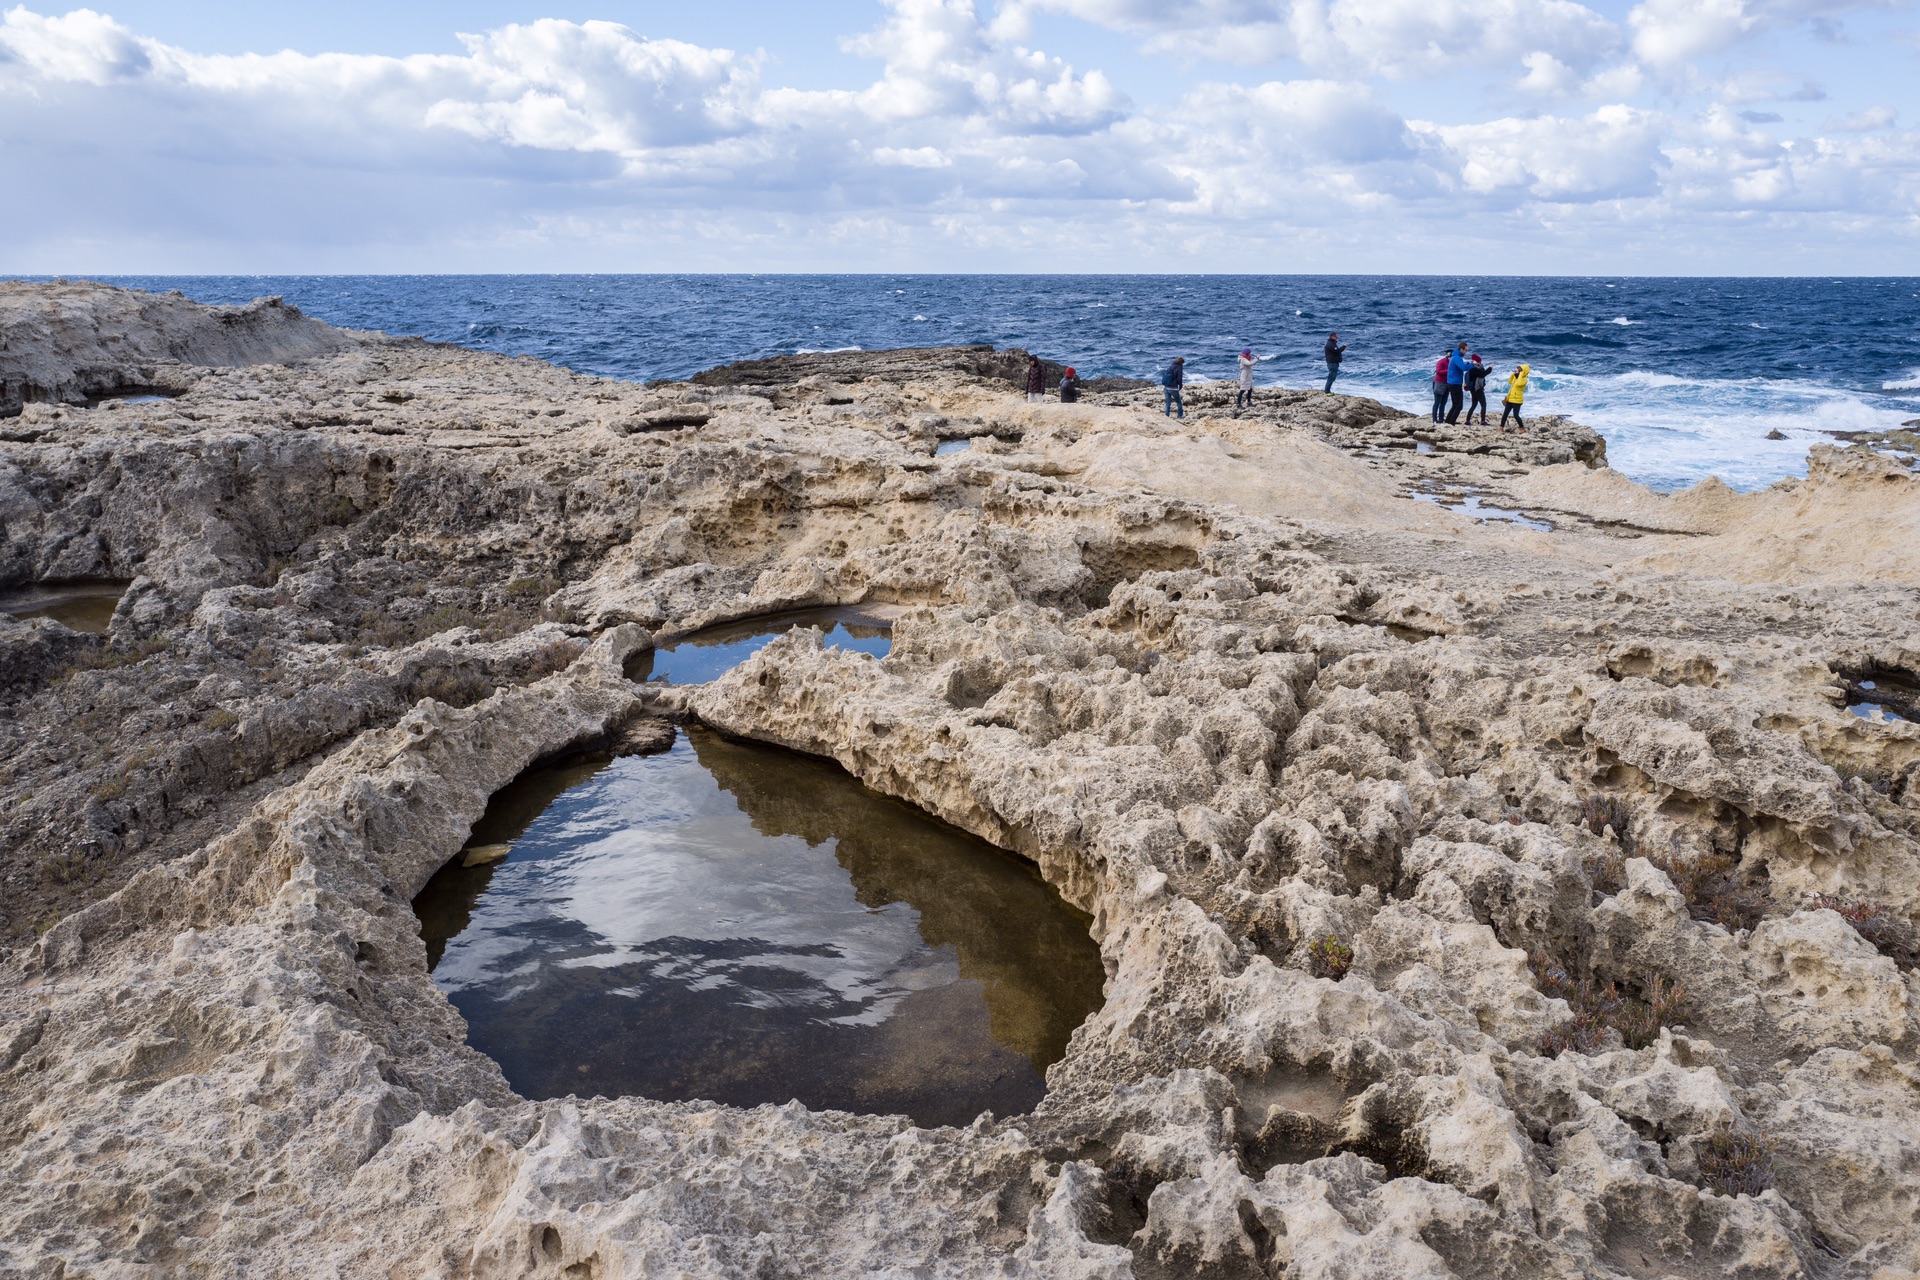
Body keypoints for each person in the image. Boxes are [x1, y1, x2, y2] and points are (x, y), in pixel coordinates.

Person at [1443, 341, 1469, 425]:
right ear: (1461, 349)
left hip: (1452, 383)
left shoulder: (1455, 356)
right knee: (1459, 406)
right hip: (1455, 384)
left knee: (1455, 404)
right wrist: (1473, 365)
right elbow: (1463, 368)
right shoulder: (1457, 357)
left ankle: (1448, 422)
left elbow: (1461, 366)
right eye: (1465, 350)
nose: (1466, 352)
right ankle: (1451, 423)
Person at [1500, 363, 1530, 431]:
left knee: (1516, 415)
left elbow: (1519, 384)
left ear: (1522, 371)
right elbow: (1509, 382)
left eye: (1519, 369)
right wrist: (1513, 374)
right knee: (1505, 414)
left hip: (1517, 400)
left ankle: (1522, 428)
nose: (1516, 370)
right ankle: (1501, 428)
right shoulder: (1516, 377)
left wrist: (1521, 374)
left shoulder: (1524, 379)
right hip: (1510, 398)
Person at [1464, 355, 1490, 425]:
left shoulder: (1473, 368)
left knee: (1474, 404)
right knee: (1483, 405)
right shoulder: (1474, 368)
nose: (1479, 363)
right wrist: (1490, 368)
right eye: (1478, 361)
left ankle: (1467, 420)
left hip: (1473, 389)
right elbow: (1482, 374)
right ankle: (1483, 421)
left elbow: (1481, 373)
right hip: (1477, 389)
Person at [1431, 354, 1449, 424]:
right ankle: (1434, 419)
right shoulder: (1441, 362)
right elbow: (1438, 371)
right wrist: (1449, 370)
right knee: (1437, 402)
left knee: (1444, 402)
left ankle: (1441, 418)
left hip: (1447, 384)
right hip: (1439, 383)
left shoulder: (1452, 362)